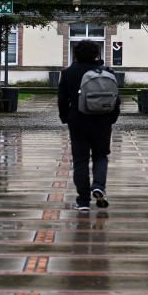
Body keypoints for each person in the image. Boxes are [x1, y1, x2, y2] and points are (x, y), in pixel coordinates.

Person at [57, 40, 120, 212]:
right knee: (100, 155)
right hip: (102, 120)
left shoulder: (68, 73)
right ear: (96, 54)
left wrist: (65, 118)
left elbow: (62, 100)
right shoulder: (107, 72)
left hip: (78, 121)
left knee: (80, 160)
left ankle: (83, 201)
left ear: (76, 54)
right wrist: (112, 118)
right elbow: (116, 99)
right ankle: (99, 186)